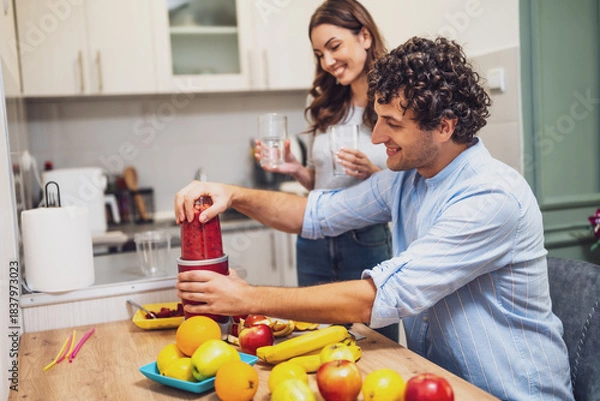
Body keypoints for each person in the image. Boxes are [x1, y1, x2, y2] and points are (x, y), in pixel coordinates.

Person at [174, 36, 574, 401]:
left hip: (510, 394)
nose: (378, 136)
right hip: (437, 384)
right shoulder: (408, 180)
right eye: (377, 118)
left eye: (392, 124)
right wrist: (233, 194)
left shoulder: (489, 196)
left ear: (444, 127)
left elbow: (378, 295)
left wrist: (248, 298)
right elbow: (316, 213)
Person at [253, 0, 398, 341]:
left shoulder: (393, 105)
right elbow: (324, 182)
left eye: (334, 47)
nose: (327, 61)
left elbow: (408, 186)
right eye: (319, 53)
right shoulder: (329, 105)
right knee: (314, 341)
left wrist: (374, 173)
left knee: (377, 344)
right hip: (313, 242)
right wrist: (297, 171)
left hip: (366, 240)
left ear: (364, 36)